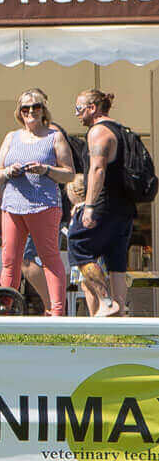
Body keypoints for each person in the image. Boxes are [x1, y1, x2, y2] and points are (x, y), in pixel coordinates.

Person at [0, 88, 75, 315]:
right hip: (12, 206)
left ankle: (57, 313)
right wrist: (9, 171)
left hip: (44, 206)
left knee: (49, 258)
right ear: (19, 112)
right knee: (9, 261)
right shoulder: (11, 137)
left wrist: (45, 169)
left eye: (36, 107)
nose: (31, 112)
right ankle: (3, 311)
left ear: (43, 110)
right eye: (26, 108)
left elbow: (69, 174)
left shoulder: (54, 136)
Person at [68, 90, 133, 318]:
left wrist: (89, 205)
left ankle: (105, 301)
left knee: (78, 246)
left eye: (79, 109)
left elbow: (97, 168)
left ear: (92, 108)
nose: (77, 114)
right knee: (116, 260)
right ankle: (120, 313)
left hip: (104, 205)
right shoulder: (121, 130)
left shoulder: (98, 132)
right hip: (124, 207)